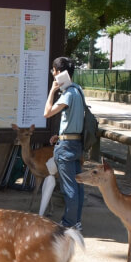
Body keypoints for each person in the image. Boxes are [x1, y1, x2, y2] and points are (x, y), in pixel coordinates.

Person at [43, 56, 84, 230]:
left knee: (69, 187)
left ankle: (68, 223)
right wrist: (59, 136)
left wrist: (52, 91)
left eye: (54, 70)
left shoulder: (68, 94)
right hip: (75, 144)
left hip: (66, 148)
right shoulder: (78, 90)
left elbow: (47, 113)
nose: (53, 73)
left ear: (59, 73)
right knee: (78, 185)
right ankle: (77, 221)